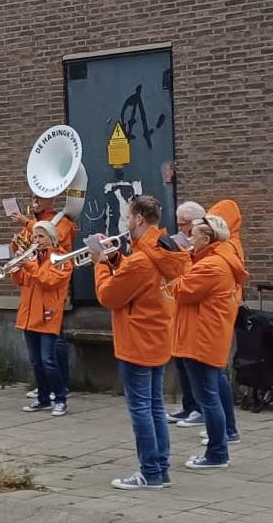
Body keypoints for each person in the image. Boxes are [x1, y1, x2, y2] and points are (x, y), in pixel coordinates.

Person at [95, 196, 190, 489]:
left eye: (128, 216)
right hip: (158, 337)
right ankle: (160, 469)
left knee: (141, 409)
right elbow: (139, 281)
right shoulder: (162, 250)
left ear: (138, 219)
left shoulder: (141, 260)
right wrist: (115, 259)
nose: (126, 222)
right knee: (155, 406)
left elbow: (109, 296)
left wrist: (100, 264)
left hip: (136, 340)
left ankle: (150, 471)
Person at [175, 214, 249, 470]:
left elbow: (181, 290)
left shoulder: (211, 265)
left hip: (201, 338)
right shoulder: (215, 260)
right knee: (210, 393)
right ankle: (220, 445)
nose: (189, 240)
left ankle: (217, 452)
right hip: (206, 336)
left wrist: (182, 260)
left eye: (193, 236)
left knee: (207, 397)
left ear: (206, 239)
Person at [10, 194, 77, 403]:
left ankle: (60, 397)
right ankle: (42, 397)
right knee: (35, 361)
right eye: (35, 237)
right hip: (29, 314)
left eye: (41, 237)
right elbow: (22, 281)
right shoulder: (33, 258)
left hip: (48, 315)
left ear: (51, 238)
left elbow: (49, 281)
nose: (36, 240)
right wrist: (16, 266)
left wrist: (29, 265)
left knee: (48, 359)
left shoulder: (61, 259)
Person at [166, 201, 206, 428]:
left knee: (194, 365)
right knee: (181, 362)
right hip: (178, 312)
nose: (180, 229)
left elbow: (192, 279)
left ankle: (200, 409)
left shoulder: (204, 248)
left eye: (183, 225)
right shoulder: (186, 244)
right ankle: (189, 405)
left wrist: (184, 256)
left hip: (196, 316)